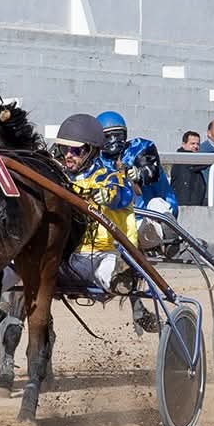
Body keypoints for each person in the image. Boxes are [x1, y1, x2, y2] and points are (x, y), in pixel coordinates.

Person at [53, 113, 158, 332]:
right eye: (65, 150)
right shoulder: (58, 178)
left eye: (76, 151)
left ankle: (122, 278)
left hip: (105, 253)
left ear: (90, 151)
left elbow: (124, 192)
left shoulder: (110, 177)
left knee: (108, 270)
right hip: (67, 256)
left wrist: (109, 195)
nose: (69, 155)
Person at [98, 110, 179, 256]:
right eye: (108, 136)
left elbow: (151, 170)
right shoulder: (96, 161)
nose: (114, 141)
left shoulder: (138, 148)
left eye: (118, 135)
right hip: (116, 223)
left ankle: (167, 235)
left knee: (156, 204)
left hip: (145, 215)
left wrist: (140, 173)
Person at [169, 130, 208, 208]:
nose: (196, 146)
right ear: (184, 144)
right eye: (192, 143)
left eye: (198, 144)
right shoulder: (182, 160)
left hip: (192, 205)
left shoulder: (194, 162)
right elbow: (204, 163)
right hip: (184, 206)